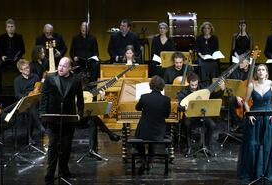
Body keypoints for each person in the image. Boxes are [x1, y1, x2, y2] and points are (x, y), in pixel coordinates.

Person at [40, 57, 119, 185]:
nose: (60, 68)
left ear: (70, 68)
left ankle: (63, 170)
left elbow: (80, 99)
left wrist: (80, 114)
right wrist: (42, 114)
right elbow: (44, 96)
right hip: (53, 118)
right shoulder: (50, 78)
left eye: (64, 66)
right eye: (60, 65)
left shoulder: (75, 80)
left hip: (69, 118)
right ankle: (49, 174)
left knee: (66, 146)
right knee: (53, 146)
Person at [237, 64, 272, 181]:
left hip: (268, 116)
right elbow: (246, 102)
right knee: (254, 144)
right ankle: (255, 172)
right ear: (256, 72)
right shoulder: (251, 85)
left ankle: (267, 171)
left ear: (266, 72)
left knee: (269, 143)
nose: (260, 71)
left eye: (263, 70)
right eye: (258, 70)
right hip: (255, 116)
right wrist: (249, 114)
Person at [177, 73, 223, 155]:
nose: (194, 87)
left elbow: (214, 97)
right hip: (190, 116)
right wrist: (185, 107)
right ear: (188, 83)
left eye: (195, 85)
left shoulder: (203, 89)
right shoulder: (183, 92)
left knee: (212, 125)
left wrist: (222, 90)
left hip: (201, 115)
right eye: (192, 85)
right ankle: (189, 147)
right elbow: (178, 106)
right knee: (187, 124)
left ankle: (206, 146)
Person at [134, 76, 171, 157]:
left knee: (137, 139)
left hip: (144, 132)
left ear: (151, 85)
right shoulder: (166, 99)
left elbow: (137, 108)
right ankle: (151, 157)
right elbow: (167, 115)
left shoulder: (144, 97)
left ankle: (143, 157)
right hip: (159, 132)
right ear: (162, 86)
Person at [13, 59, 45, 143]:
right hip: (24, 102)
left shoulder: (35, 77)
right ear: (20, 70)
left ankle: (29, 137)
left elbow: (39, 89)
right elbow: (17, 94)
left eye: (28, 67)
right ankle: (39, 126)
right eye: (25, 68)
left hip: (35, 100)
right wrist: (26, 97)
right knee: (30, 107)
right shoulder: (17, 80)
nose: (28, 69)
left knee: (32, 106)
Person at [0, 18, 26, 93]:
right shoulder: (1, 37)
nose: (10, 28)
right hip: (4, 58)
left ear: (14, 27)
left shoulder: (19, 37)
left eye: (12, 26)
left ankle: (21, 87)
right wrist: (2, 56)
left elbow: (23, 50)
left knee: (22, 67)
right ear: (6, 28)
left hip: (16, 59)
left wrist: (17, 57)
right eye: (8, 27)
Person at [227, 58, 250, 129]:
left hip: (248, 95)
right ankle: (236, 122)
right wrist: (237, 96)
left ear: (247, 63)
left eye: (242, 62)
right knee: (231, 100)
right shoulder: (234, 71)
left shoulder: (253, 70)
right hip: (237, 94)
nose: (239, 63)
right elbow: (231, 85)